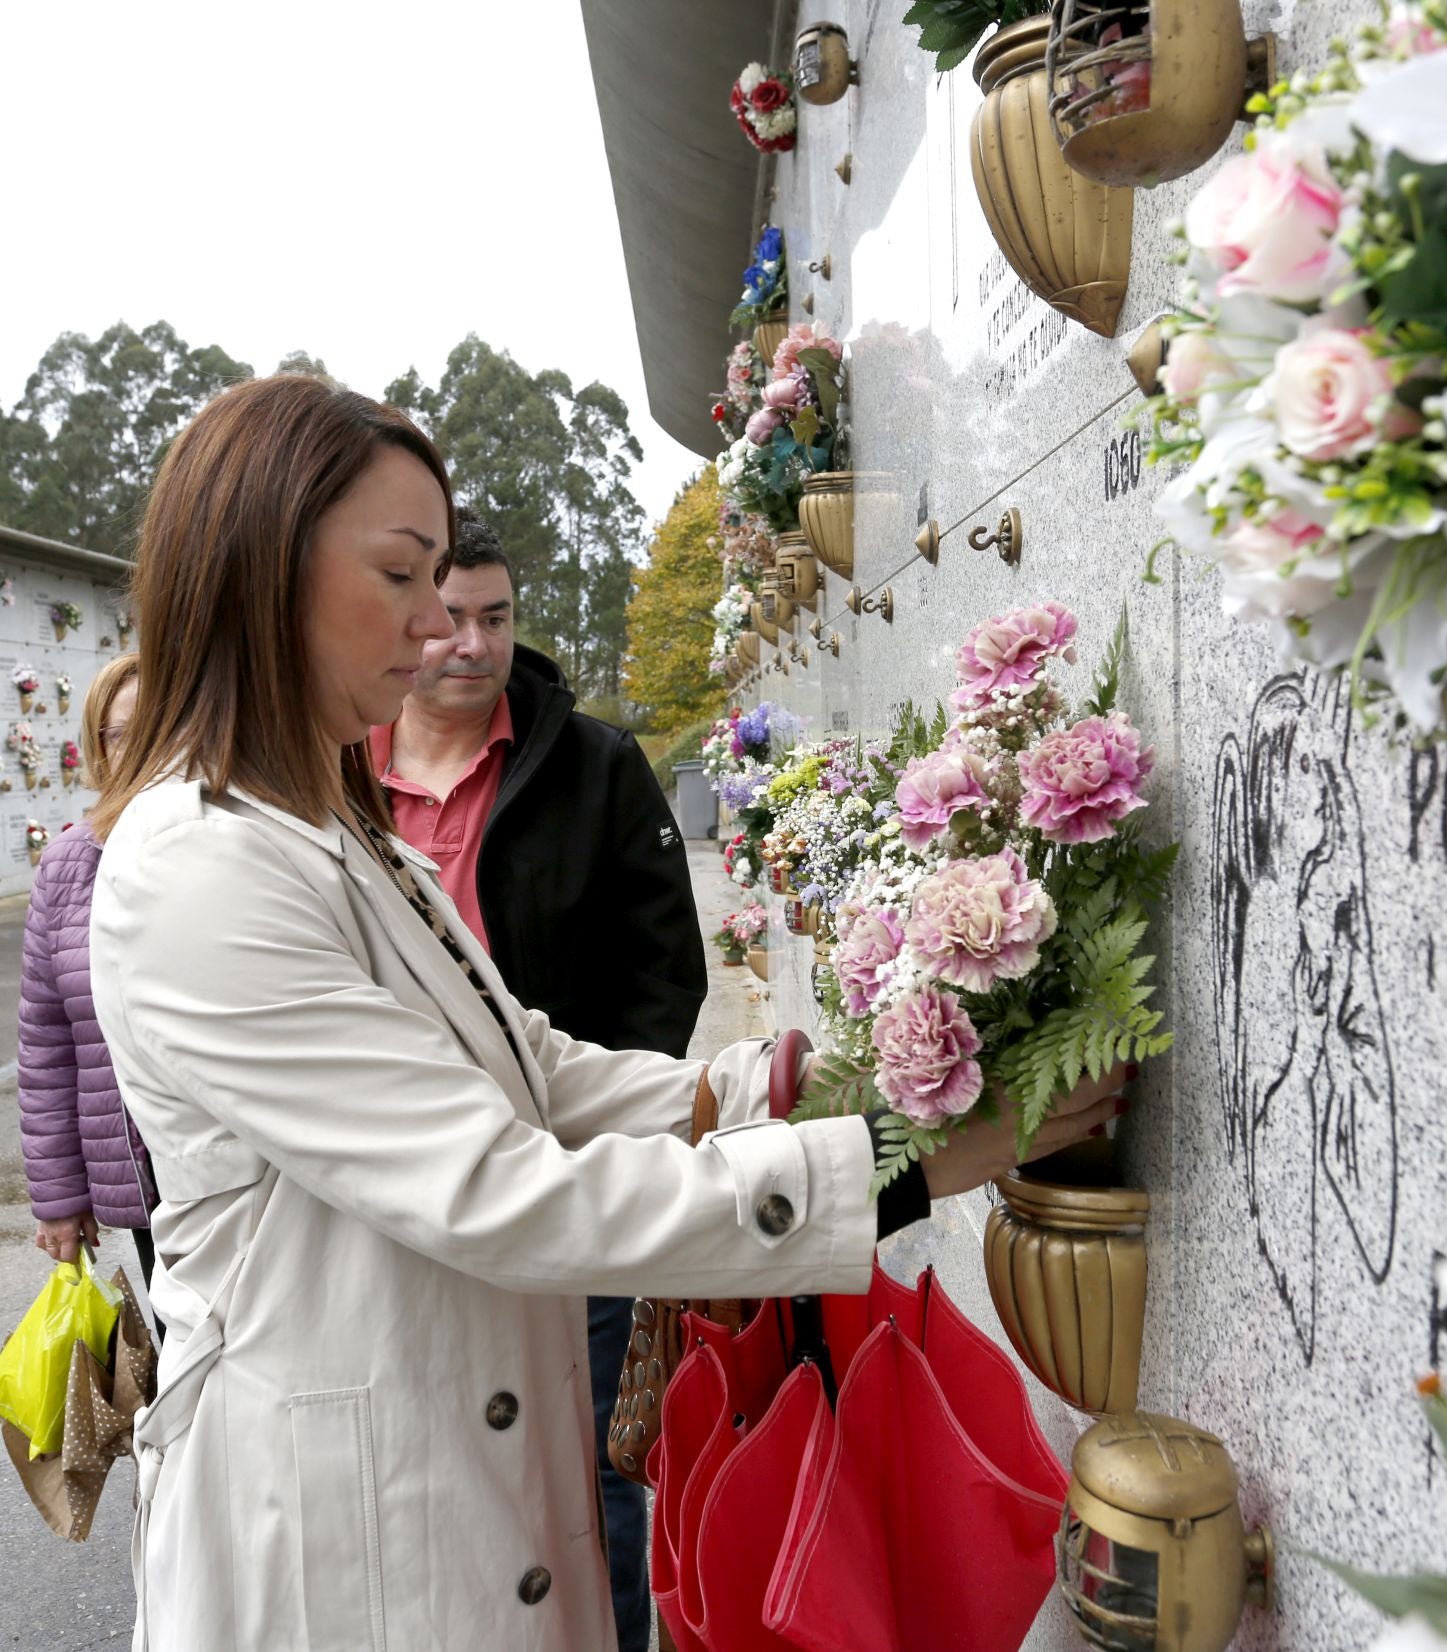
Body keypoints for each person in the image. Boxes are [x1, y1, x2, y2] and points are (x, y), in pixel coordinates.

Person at [88, 374, 1119, 1652]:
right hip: (336, 1533)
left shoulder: (343, 838)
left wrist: (809, 1086)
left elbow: (540, 1070)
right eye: (401, 575)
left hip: (457, 1467)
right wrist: (895, 1169)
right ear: (262, 567)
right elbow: (500, 1185)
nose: (434, 625)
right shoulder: (200, 865)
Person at [370, 505, 702, 1652]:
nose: (469, 642)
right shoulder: (330, 775)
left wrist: (616, 1133)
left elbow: (667, 972)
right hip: (395, 1186)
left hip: (570, 1174)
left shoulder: (595, 765)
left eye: (495, 617)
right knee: (430, 1453)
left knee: (594, 1453)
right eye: (449, 616)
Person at [18, 653, 158, 1286]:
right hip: (143, 1181)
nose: (144, 746)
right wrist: (59, 1197)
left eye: (160, 723)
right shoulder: (69, 863)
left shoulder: (238, 837)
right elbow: (46, 1043)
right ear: (98, 746)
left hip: (249, 1181)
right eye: (121, 731)